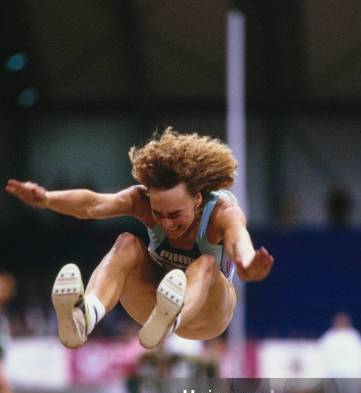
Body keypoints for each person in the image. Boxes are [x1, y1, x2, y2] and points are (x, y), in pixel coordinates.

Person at [5, 128, 274, 350]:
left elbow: (240, 241)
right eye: (159, 214)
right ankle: (83, 318)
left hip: (209, 313)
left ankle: (172, 318)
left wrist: (248, 263)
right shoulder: (141, 200)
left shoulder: (222, 213)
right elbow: (92, 204)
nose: (167, 224)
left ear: (198, 199)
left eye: (175, 214)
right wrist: (47, 199)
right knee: (126, 243)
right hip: (154, 307)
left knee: (204, 263)